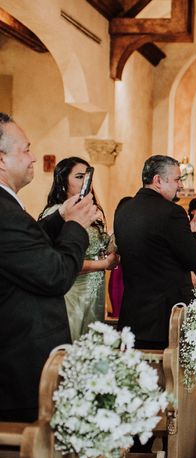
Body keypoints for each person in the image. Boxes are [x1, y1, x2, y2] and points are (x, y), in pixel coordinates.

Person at [0, 113, 99, 421]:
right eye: (26, 149)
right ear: (1, 160)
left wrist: (59, 218)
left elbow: (26, 249)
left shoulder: (9, 207)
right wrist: (75, 227)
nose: (33, 157)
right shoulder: (4, 211)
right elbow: (55, 274)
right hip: (21, 366)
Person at [114, 155, 196, 349]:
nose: (180, 186)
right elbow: (194, 260)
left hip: (132, 315)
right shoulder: (172, 213)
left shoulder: (124, 210)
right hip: (164, 319)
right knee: (167, 378)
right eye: (176, 180)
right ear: (158, 180)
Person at [39, 157, 119, 340]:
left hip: (95, 293)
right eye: (79, 176)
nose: (86, 182)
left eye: (88, 176)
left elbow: (103, 247)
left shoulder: (92, 212)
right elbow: (59, 262)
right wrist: (104, 263)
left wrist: (122, 231)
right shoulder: (57, 214)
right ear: (63, 183)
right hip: (72, 293)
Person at [108, 196, 132, 318]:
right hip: (119, 274)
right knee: (118, 312)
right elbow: (109, 250)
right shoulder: (116, 231)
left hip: (129, 275)